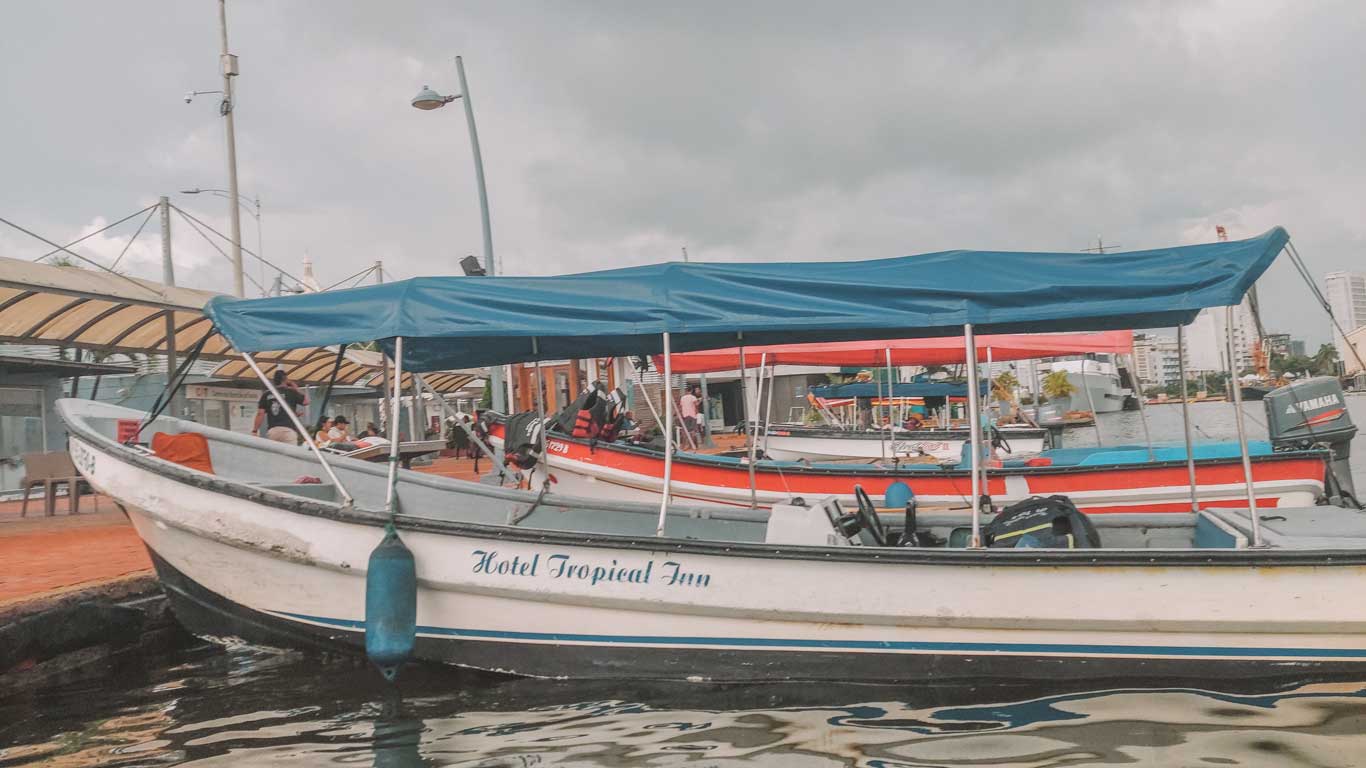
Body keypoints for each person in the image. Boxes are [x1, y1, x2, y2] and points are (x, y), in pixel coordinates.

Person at [254, 370, 308, 444]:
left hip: (273, 431)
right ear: (285, 380)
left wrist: (255, 430)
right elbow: (306, 401)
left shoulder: (266, 394)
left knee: (275, 455)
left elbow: (260, 413)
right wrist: (296, 388)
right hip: (288, 430)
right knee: (290, 455)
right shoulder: (291, 392)